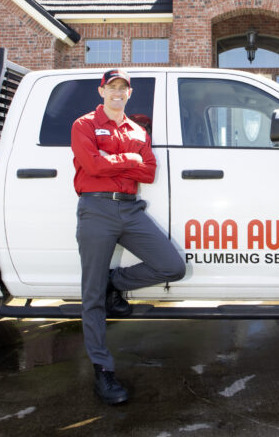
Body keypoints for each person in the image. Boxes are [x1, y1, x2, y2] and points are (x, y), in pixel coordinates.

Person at [71, 68, 186, 405]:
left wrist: (116, 160)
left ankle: (113, 281)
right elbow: (91, 166)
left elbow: (148, 172)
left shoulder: (137, 129)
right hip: (96, 210)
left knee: (171, 266)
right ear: (102, 90)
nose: (117, 93)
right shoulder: (84, 125)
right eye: (112, 87)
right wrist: (130, 158)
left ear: (129, 93)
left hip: (131, 210)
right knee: (91, 298)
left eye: (123, 88)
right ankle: (102, 371)